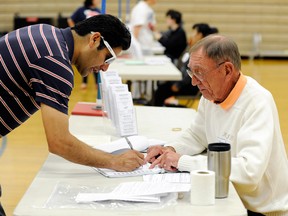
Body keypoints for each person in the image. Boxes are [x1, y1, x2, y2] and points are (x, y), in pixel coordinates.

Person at [0, 14, 145, 214]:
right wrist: (115, 161)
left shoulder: (46, 32)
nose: (105, 67)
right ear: (94, 39)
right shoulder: (56, 63)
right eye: (108, 57)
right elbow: (59, 142)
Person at [145, 35, 288, 215]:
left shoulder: (257, 102)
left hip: (261, 209)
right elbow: (198, 135)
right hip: (228, 196)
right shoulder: (212, 95)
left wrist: (183, 161)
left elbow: (249, 172)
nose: (193, 82)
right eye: (191, 72)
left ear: (227, 70)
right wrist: (170, 150)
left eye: (199, 72)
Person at [152, 23, 218, 107]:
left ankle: (158, 108)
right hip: (182, 81)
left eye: (194, 33)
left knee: (161, 90)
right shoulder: (193, 47)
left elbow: (192, 73)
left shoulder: (202, 52)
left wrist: (178, 85)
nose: (192, 35)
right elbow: (182, 62)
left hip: (190, 85)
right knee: (161, 87)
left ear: (200, 35)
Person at [67, 0, 101, 90]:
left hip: (95, 40)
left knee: (95, 61)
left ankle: (97, 83)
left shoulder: (98, 11)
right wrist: (75, 30)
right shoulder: (81, 10)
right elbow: (70, 20)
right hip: (84, 40)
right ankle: (84, 82)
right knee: (85, 60)